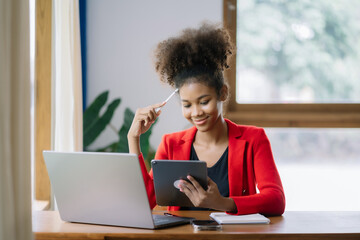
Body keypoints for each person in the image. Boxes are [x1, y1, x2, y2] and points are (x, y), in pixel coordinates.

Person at [127, 23, 285, 215]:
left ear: (223, 93)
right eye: (187, 105)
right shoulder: (171, 144)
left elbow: (276, 199)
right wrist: (133, 139)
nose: (196, 112)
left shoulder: (254, 138)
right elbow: (145, 201)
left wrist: (223, 203)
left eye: (204, 101)